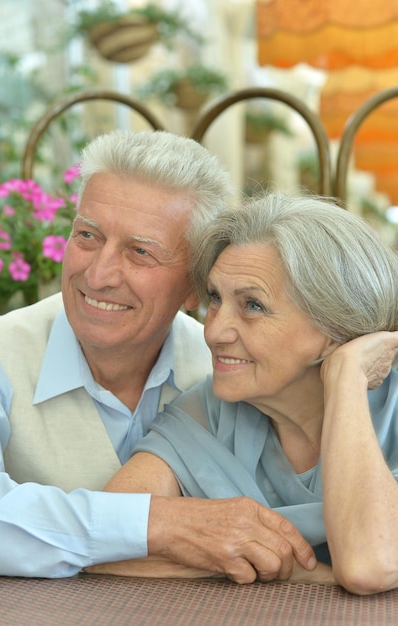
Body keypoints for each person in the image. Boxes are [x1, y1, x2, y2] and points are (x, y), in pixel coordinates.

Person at [0, 131, 316, 580]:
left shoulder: (236, 372)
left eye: (140, 252)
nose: (98, 275)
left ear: (197, 287)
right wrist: (159, 524)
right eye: (87, 236)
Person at [87, 192, 398, 595]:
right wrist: (307, 573)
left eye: (253, 305)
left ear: (332, 331)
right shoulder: (211, 412)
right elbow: (101, 539)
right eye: (216, 299)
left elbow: (368, 566)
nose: (213, 332)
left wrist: (346, 379)